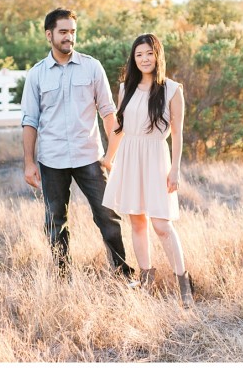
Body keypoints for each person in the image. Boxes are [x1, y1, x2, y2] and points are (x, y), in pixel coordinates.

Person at [21, 7, 134, 281]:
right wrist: (28, 162)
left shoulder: (92, 67)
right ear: (49, 35)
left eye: (72, 32)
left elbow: (108, 112)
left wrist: (111, 154)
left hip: (90, 156)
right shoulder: (37, 75)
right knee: (55, 222)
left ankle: (122, 274)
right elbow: (29, 121)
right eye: (63, 32)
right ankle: (63, 278)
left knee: (108, 216)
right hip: (52, 159)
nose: (68, 37)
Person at [101, 33, 194, 306]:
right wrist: (108, 158)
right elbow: (120, 128)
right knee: (137, 221)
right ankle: (146, 280)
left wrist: (175, 170)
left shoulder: (172, 90)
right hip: (130, 157)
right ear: (134, 58)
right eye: (139, 54)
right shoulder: (125, 89)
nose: (144, 59)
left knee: (162, 224)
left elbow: (177, 134)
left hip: (156, 157)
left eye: (149, 54)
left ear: (158, 56)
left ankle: (184, 286)